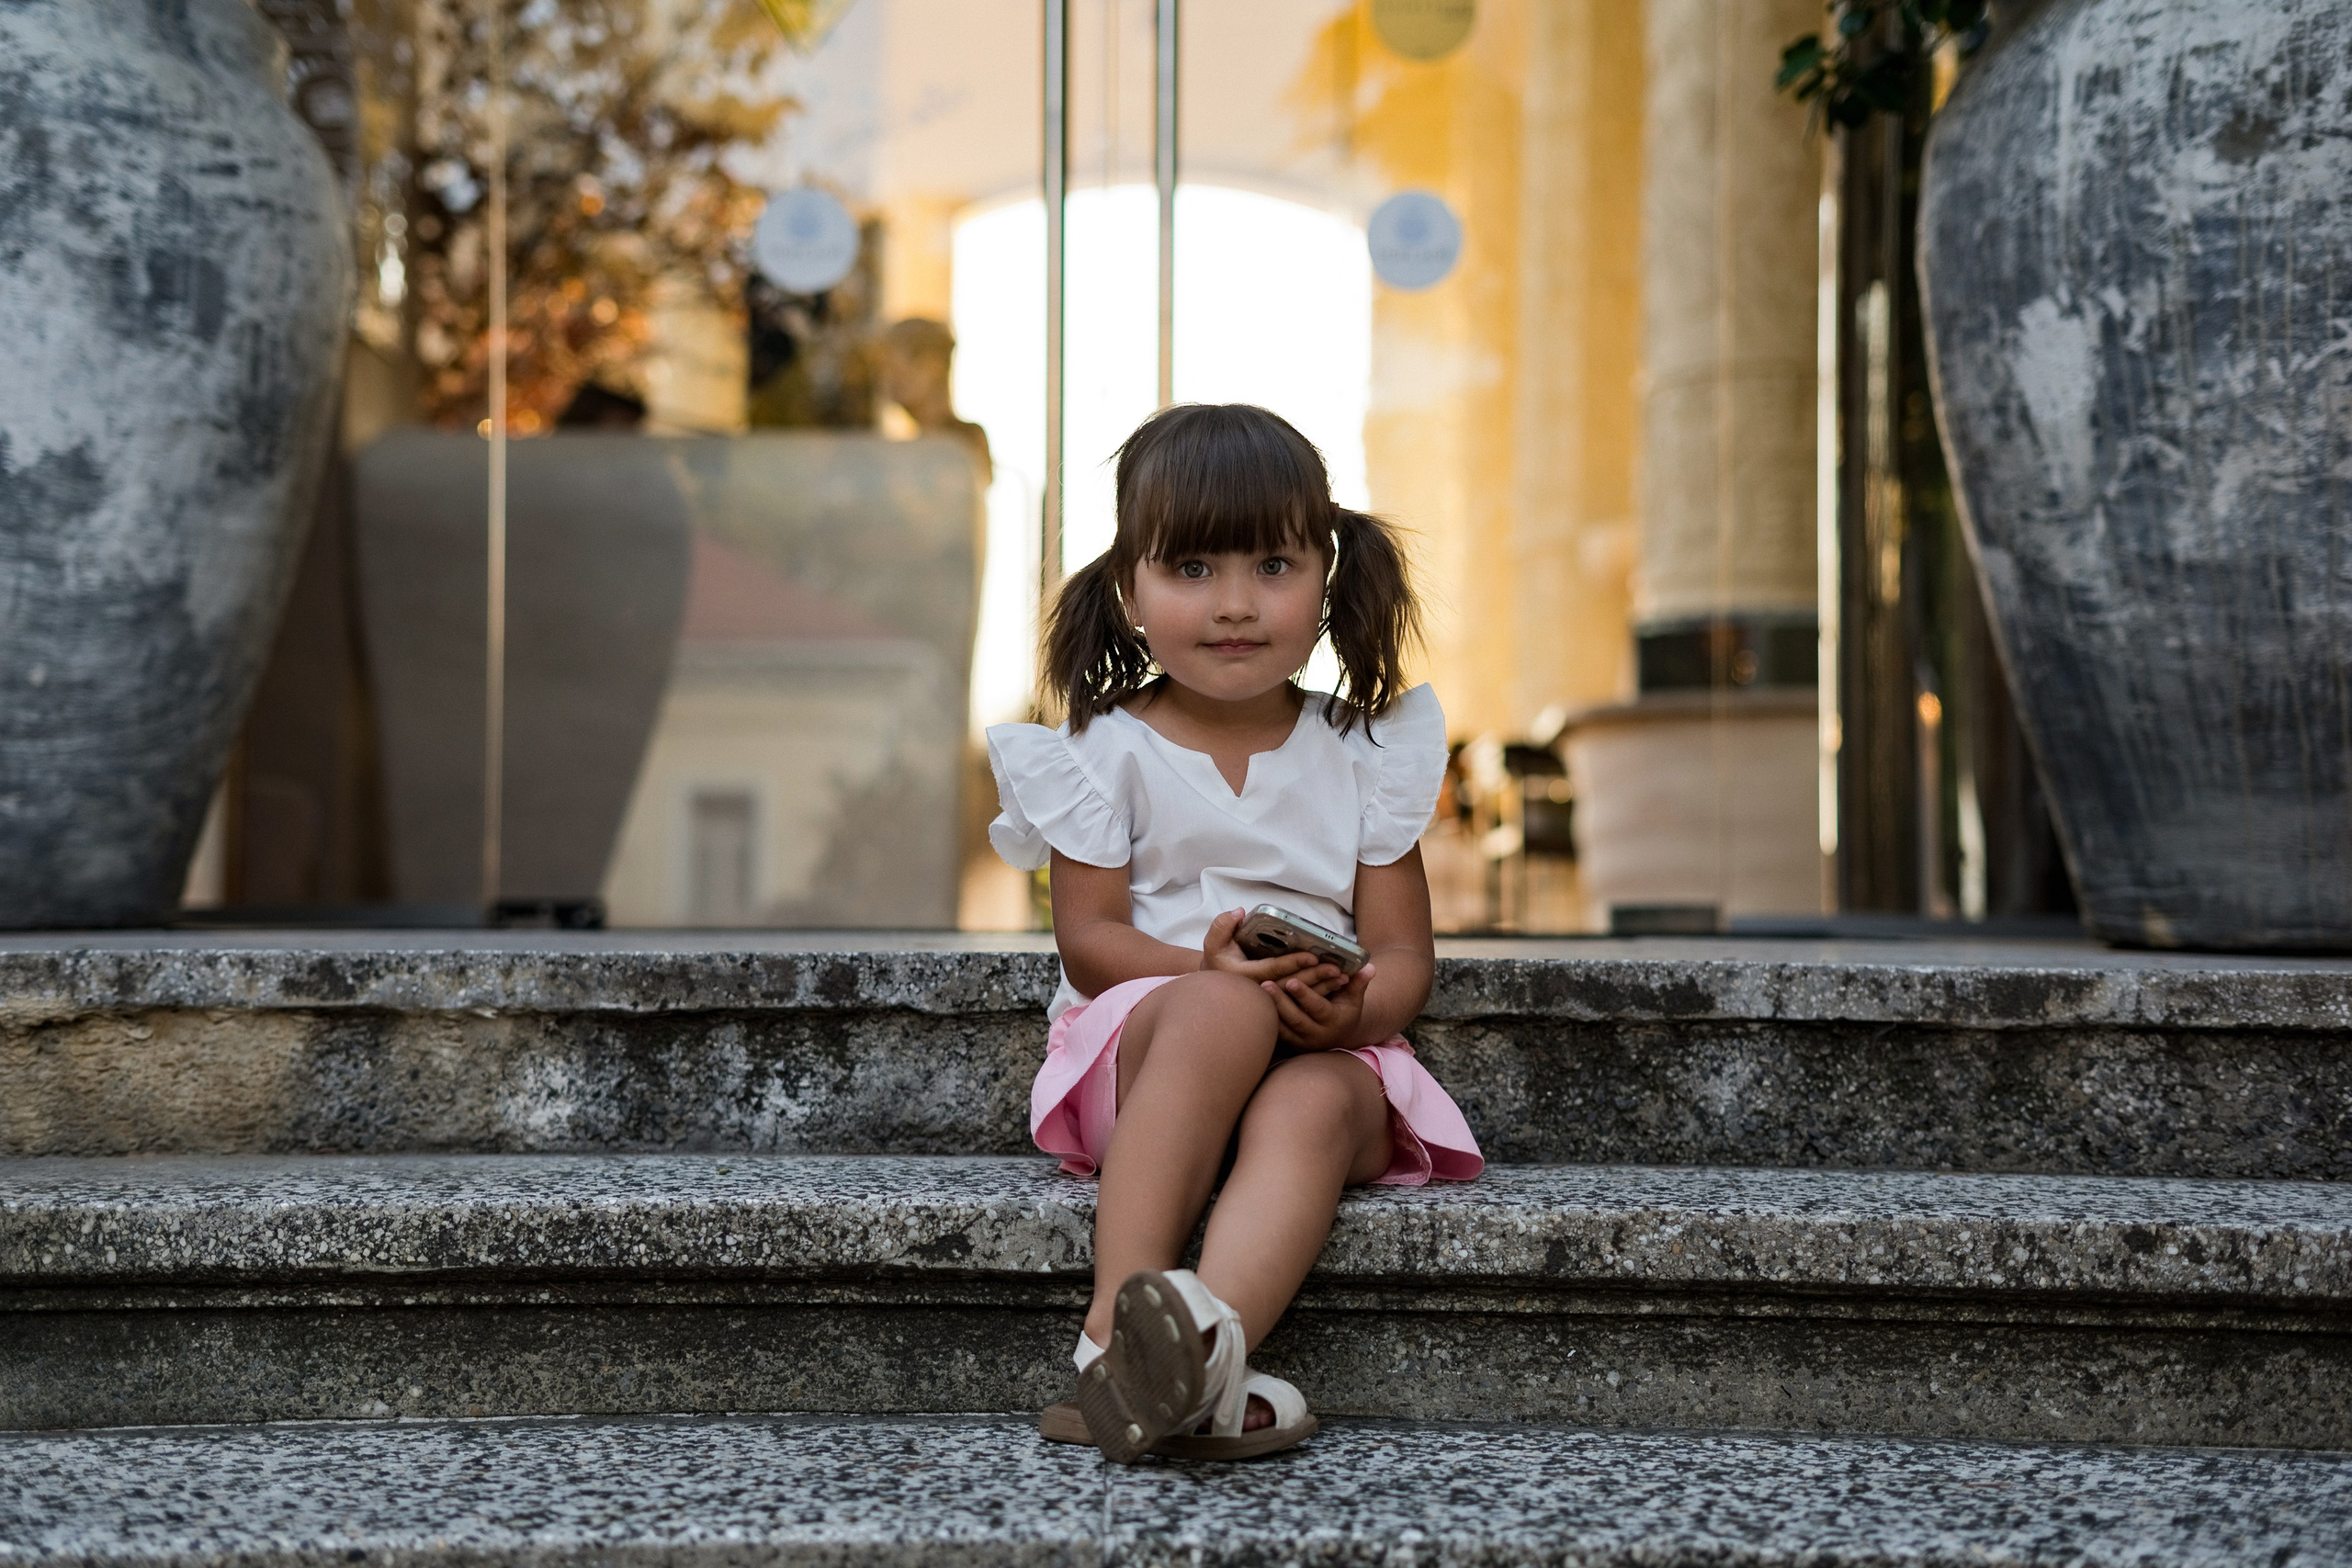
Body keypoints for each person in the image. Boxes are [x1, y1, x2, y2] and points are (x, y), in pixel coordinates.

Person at [986, 402, 1482, 1465]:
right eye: (1193, 570)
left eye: (1272, 565)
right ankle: (1116, 1327)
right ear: (1130, 589)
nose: (1237, 605)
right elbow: (1090, 941)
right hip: (1156, 1050)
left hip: (1319, 1042)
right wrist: (1200, 969)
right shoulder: (1100, 753)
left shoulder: (1365, 755)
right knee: (1218, 1008)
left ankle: (1195, 1363)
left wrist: (1357, 1007)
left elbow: (1403, 956)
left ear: (1326, 578)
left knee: (1324, 1100)